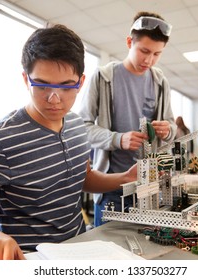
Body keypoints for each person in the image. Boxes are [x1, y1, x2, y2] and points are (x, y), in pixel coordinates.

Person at [0, 25, 137, 260]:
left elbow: (82, 177)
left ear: (81, 82)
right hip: (28, 259)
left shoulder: (77, 126)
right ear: (26, 79)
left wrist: (124, 179)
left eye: (66, 86)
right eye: (42, 85)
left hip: (78, 251)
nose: (55, 99)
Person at [78, 12, 177, 227]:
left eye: (157, 54)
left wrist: (167, 130)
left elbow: (172, 127)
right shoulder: (103, 77)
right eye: (144, 51)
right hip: (112, 189)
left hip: (149, 188)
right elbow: (81, 128)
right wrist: (117, 139)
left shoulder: (161, 82)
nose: (149, 60)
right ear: (129, 42)